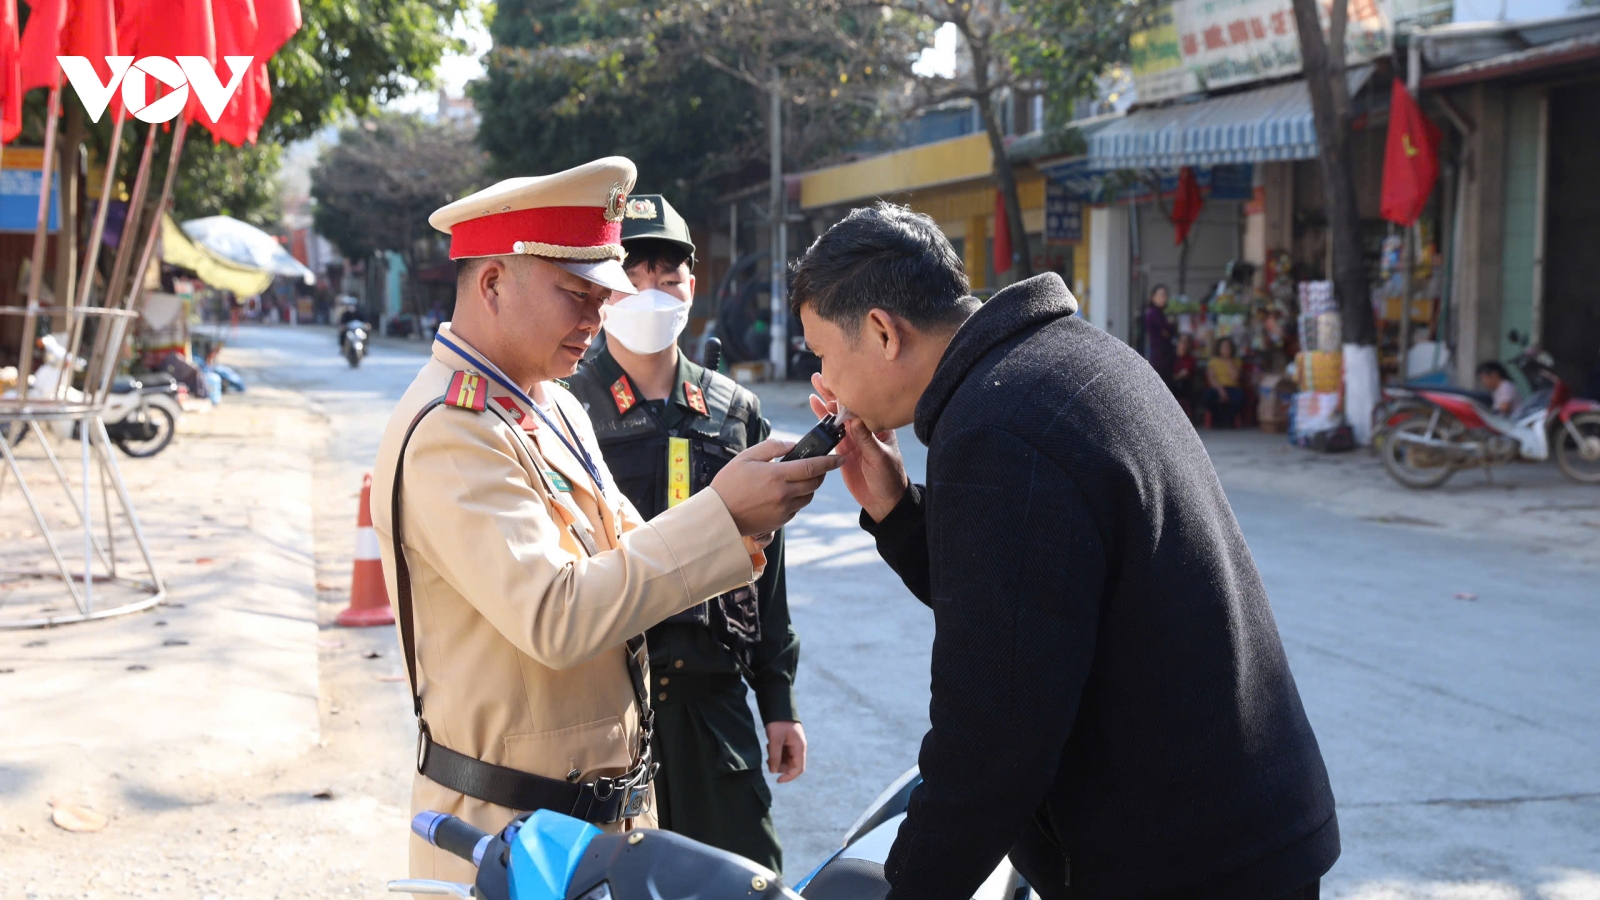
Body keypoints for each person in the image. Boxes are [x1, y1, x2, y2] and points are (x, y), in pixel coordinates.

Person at [790, 204, 1337, 900]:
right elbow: (1033, 611)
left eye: (823, 356)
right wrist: (898, 512)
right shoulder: (1060, 362)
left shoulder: (996, 428)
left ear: (881, 332)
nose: (826, 384)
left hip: (1186, 865)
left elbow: (991, 737)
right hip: (1238, 833)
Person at [369, 158, 841, 884]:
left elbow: (626, 550)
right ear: (492, 283)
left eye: (603, 295)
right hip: (508, 837)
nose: (598, 317)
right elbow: (558, 615)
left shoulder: (548, 403)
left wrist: (742, 513)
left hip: (598, 826)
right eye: (577, 294)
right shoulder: (452, 430)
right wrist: (721, 513)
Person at [566, 194, 803, 874]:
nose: (652, 292)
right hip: (605, 708)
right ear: (606, 288)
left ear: (691, 288)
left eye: (668, 276)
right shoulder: (565, 408)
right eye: (634, 275)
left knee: (744, 882)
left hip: (712, 706)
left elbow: (770, 572)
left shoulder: (734, 412)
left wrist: (779, 702)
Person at [1205, 336, 1245, 427]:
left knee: (1239, 398)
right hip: (1217, 387)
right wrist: (1221, 391)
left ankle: (1229, 421)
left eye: (1228, 347)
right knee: (1208, 397)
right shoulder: (1213, 361)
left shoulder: (1236, 361)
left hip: (1232, 387)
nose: (1226, 349)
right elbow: (1212, 378)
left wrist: (1229, 361)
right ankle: (1217, 421)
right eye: (1224, 347)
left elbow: (1235, 377)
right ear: (1219, 348)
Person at [1143, 284, 1175, 388]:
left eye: (1165, 295)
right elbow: (1166, 331)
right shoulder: (1152, 313)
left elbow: (1170, 331)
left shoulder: (1163, 313)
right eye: (1160, 295)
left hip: (1166, 355)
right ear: (1153, 297)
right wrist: (1168, 327)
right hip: (1158, 355)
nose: (1163, 298)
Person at [1172, 332, 1198, 414]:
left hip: (1183, 388)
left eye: (1186, 342)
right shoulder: (1170, 358)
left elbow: (1184, 374)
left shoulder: (1191, 360)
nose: (1183, 344)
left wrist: (1171, 378)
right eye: (1181, 341)